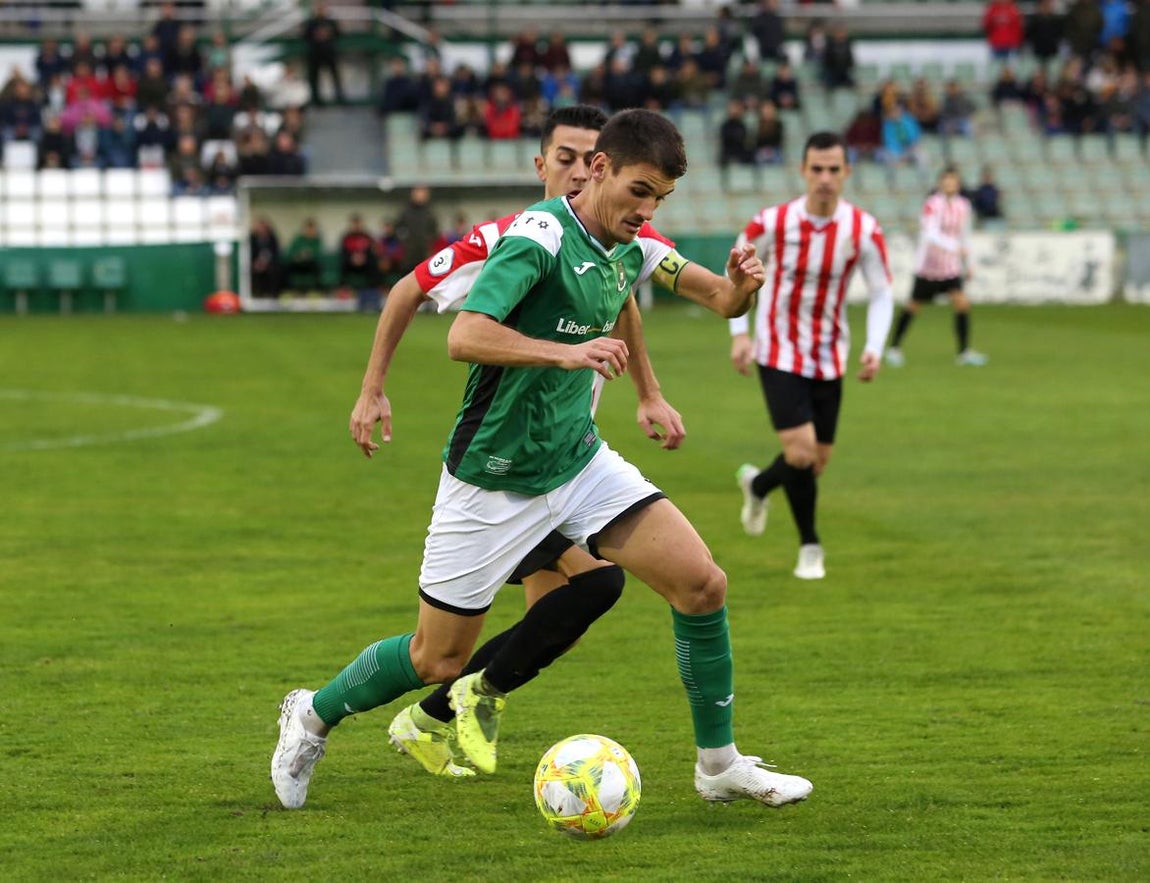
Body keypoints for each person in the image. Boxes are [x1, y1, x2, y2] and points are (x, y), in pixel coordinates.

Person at [272, 108, 813, 812]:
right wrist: (567, 351)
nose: (648, 211)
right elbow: (465, 335)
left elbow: (717, 298)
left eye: (661, 200)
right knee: (437, 658)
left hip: (578, 463)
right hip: (492, 478)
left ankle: (719, 764)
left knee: (701, 583)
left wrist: (743, 287)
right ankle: (311, 713)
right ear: (599, 169)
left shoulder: (634, 243)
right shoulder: (533, 240)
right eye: (640, 191)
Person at [729, 131, 894, 581]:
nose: (824, 178)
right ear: (803, 171)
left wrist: (874, 349)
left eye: (833, 169)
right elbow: (736, 276)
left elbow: (882, 293)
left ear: (847, 173)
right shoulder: (772, 222)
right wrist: (739, 332)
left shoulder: (863, 229)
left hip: (830, 356)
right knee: (800, 452)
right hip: (778, 351)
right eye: (816, 169)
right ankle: (810, 547)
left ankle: (758, 484)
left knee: (815, 461)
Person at [886, 167, 989, 368]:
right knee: (913, 306)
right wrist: (954, 248)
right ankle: (894, 348)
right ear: (941, 183)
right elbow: (930, 234)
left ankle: (964, 352)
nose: (950, 185)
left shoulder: (963, 205)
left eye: (953, 181)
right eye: (946, 181)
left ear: (958, 184)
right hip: (929, 267)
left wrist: (969, 263)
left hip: (950, 268)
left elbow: (965, 235)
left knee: (962, 303)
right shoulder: (932, 205)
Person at [302, 1, 344, 106]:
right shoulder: (311, 22)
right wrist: (316, 35)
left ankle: (339, 97)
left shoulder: (330, 22)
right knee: (314, 77)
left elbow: (339, 33)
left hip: (329, 52)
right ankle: (316, 100)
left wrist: (328, 34)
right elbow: (305, 35)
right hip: (315, 54)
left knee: (335, 76)